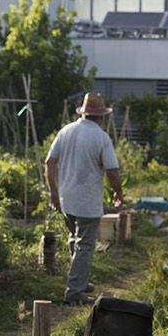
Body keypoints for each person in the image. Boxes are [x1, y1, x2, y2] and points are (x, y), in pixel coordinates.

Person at [45, 91, 125, 305]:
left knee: (74, 238)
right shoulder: (101, 137)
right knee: (85, 245)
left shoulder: (66, 131)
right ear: (101, 116)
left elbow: (50, 162)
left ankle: (78, 280)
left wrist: (53, 191)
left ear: (83, 112)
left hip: (66, 198)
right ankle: (74, 292)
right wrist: (118, 192)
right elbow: (112, 171)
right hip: (87, 200)